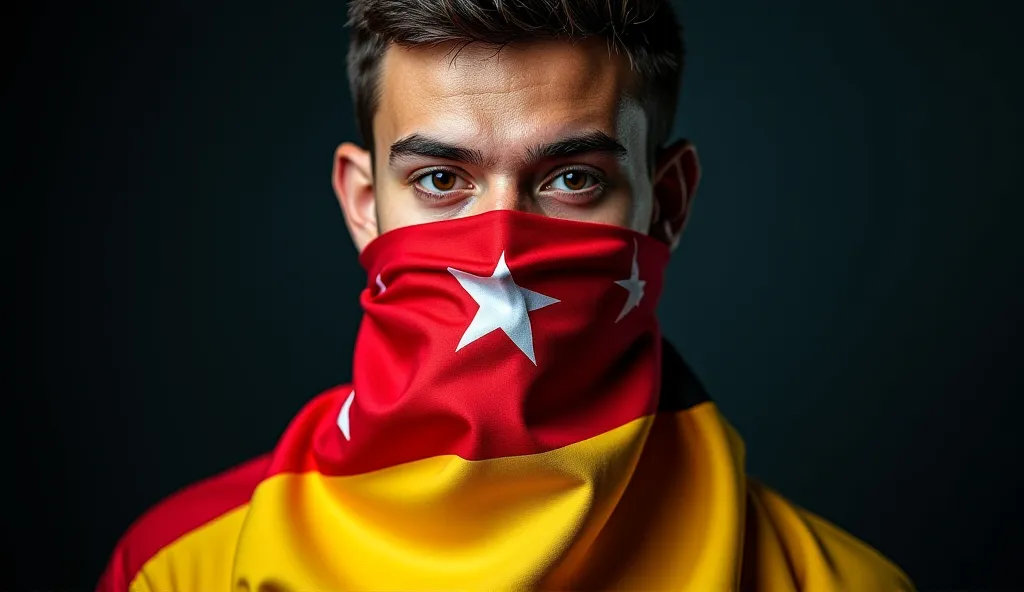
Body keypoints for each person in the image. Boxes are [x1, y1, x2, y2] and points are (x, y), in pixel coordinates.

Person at [99, 0, 914, 590]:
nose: (499, 246)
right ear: (362, 202)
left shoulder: (834, 582)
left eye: (570, 178)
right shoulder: (183, 568)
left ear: (666, 203)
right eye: (442, 178)